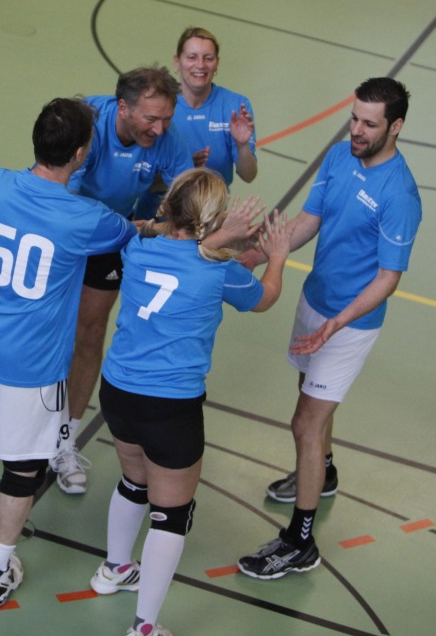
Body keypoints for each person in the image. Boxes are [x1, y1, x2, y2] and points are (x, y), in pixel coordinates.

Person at [0, 97, 139, 608]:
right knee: (23, 466)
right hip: (29, 363)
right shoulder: (87, 219)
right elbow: (133, 232)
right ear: (79, 154)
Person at [90, 168, 291, 636]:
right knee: (171, 514)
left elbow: (172, 241)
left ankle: (115, 569)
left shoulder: (137, 247)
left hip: (117, 392)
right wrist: (277, 255)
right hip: (169, 408)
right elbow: (264, 297)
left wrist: (222, 238)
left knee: (134, 482)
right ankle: (144, 627)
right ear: (212, 220)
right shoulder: (219, 273)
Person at [237, 76, 422, 579]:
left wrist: (338, 323)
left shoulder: (400, 195)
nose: (356, 130)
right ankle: (325, 470)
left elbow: (387, 278)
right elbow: (308, 221)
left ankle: (300, 542)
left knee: (305, 422)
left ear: (396, 127)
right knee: (310, 405)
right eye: (354, 118)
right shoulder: (340, 156)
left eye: (369, 124)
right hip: (314, 301)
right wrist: (257, 255)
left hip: (350, 324)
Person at [52, 66, 193, 495]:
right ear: (123, 108)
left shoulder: (166, 137)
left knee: (91, 332)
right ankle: (26, 425)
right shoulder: (87, 126)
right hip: (67, 229)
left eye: (166, 118)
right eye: (151, 118)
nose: (160, 128)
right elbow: (64, 201)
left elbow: (188, 200)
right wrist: (130, 226)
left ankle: (64, 442)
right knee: (48, 328)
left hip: (114, 235)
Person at [171, 26, 258, 186]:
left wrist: (242, 145)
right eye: (192, 57)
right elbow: (144, 178)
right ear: (177, 62)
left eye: (208, 58)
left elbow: (248, 176)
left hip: (213, 202)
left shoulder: (235, 105)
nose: (200, 65)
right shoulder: (160, 104)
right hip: (163, 201)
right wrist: (185, 168)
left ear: (217, 63)